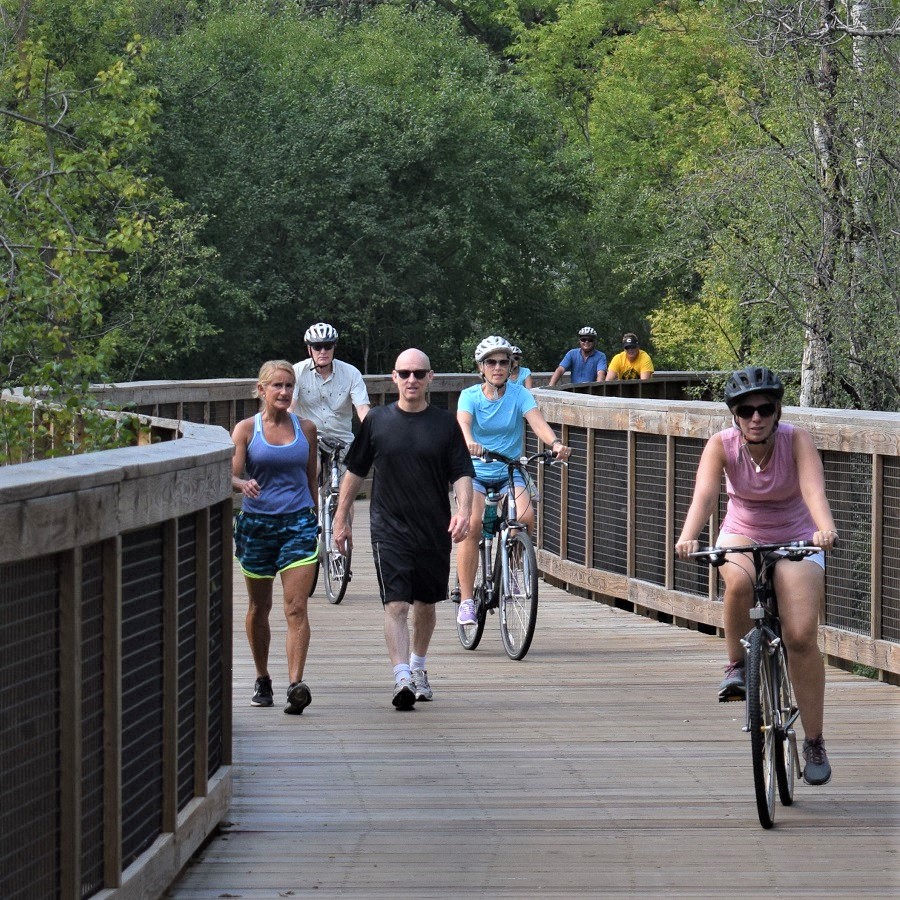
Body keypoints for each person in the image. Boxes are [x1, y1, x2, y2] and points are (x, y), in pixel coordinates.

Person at [674, 365, 838, 785]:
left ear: (777, 411)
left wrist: (825, 529)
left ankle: (814, 740)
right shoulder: (721, 444)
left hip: (797, 534)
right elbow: (705, 495)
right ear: (735, 415)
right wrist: (688, 536)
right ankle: (736, 667)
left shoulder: (796, 440)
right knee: (739, 582)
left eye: (765, 409)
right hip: (742, 531)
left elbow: (813, 490)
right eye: (746, 411)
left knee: (800, 635)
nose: (756, 418)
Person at [332, 349, 474, 709]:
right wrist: (341, 516)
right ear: (394, 377)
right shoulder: (377, 421)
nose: (412, 379)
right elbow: (355, 470)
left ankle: (418, 666)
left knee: (426, 603)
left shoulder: (445, 424)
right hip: (388, 527)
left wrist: (464, 511)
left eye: (419, 373)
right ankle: (401, 678)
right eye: (405, 373)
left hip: (433, 527)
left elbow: (461, 472)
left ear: (430, 378)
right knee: (396, 603)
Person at [456, 336, 572, 626]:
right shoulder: (470, 396)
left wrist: (555, 443)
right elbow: (463, 423)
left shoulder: (520, 394)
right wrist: (469, 441)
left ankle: (513, 570)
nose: (497, 367)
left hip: (509, 469)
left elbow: (537, 423)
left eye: (503, 362)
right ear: (481, 367)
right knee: (472, 525)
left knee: (524, 517)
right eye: (491, 362)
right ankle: (467, 600)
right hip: (476, 471)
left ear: (510, 366)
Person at [232, 360, 319, 715]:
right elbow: (231, 475)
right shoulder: (245, 429)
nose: (284, 392)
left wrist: (316, 519)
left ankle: (295, 685)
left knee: (296, 607)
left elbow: (311, 478)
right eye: (277, 386)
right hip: (257, 526)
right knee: (260, 607)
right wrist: (242, 484)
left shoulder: (307, 428)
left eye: (289, 386)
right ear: (261, 390)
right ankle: (262, 677)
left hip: (298, 523)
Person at [291, 322, 370, 449]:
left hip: (342, 441)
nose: (323, 351)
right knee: (311, 462)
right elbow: (289, 408)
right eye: (317, 347)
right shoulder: (296, 372)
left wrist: (373, 432)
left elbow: (362, 409)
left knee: (353, 462)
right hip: (308, 440)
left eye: (328, 346)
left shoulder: (351, 373)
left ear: (334, 347)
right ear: (309, 349)